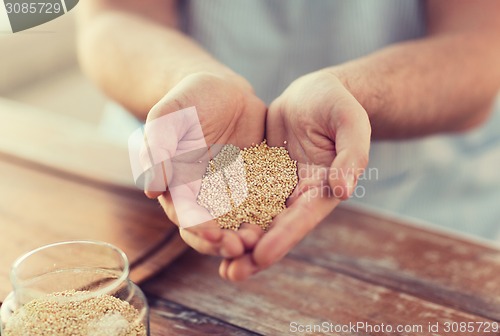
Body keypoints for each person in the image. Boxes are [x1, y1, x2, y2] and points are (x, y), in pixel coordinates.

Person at [76, 0, 500, 281]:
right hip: (171, 177)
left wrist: (354, 91)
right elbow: (114, 16)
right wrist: (183, 81)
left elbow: (479, 45)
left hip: (419, 212)